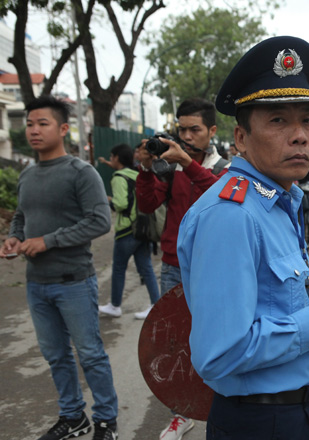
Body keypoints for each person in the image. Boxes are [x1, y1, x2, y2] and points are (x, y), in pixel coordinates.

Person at [177, 36, 309, 440]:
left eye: (306, 120)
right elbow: (219, 355)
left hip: (291, 412)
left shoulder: (278, 201)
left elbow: (278, 311)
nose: (300, 135)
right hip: (257, 425)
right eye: (278, 120)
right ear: (241, 139)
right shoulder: (231, 216)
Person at [0, 95, 119, 439]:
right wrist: (14, 237)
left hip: (73, 282)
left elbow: (99, 222)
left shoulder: (81, 173)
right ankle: (72, 417)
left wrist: (47, 241)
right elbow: (22, 216)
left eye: (43, 124)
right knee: (56, 356)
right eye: (30, 124)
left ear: (63, 129)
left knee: (91, 354)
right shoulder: (27, 175)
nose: (34, 130)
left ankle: (106, 420)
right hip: (37, 283)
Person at [136, 98, 224, 439]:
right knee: (174, 343)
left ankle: (221, 408)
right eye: (181, 129)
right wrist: (145, 168)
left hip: (214, 268)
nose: (186, 136)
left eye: (194, 130)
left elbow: (220, 196)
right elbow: (147, 205)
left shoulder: (224, 167)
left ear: (211, 131)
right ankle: (180, 414)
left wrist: (187, 163)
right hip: (173, 266)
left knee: (217, 339)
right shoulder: (167, 168)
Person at [97, 143, 160, 319]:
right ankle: (156, 303)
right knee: (146, 268)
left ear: (116, 158)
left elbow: (121, 204)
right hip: (143, 228)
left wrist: (109, 200)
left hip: (126, 229)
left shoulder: (118, 177)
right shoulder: (136, 173)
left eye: (111, 157)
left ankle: (115, 305)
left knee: (118, 268)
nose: (110, 160)